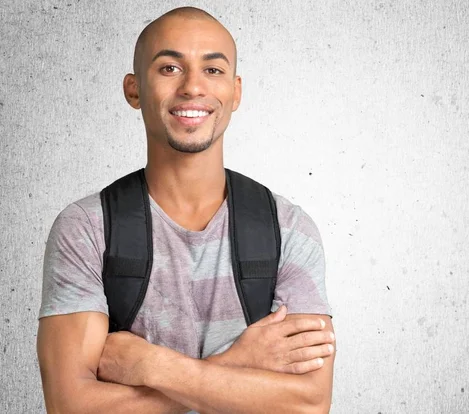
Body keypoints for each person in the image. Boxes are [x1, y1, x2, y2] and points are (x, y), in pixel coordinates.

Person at [37, 7, 335, 414]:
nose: (193, 87)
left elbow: (309, 404)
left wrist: (152, 365)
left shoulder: (289, 228)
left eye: (213, 70)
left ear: (236, 91)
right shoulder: (87, 229)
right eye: (170, 68)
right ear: (134, 90)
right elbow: (70, 407)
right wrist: (238, 366)